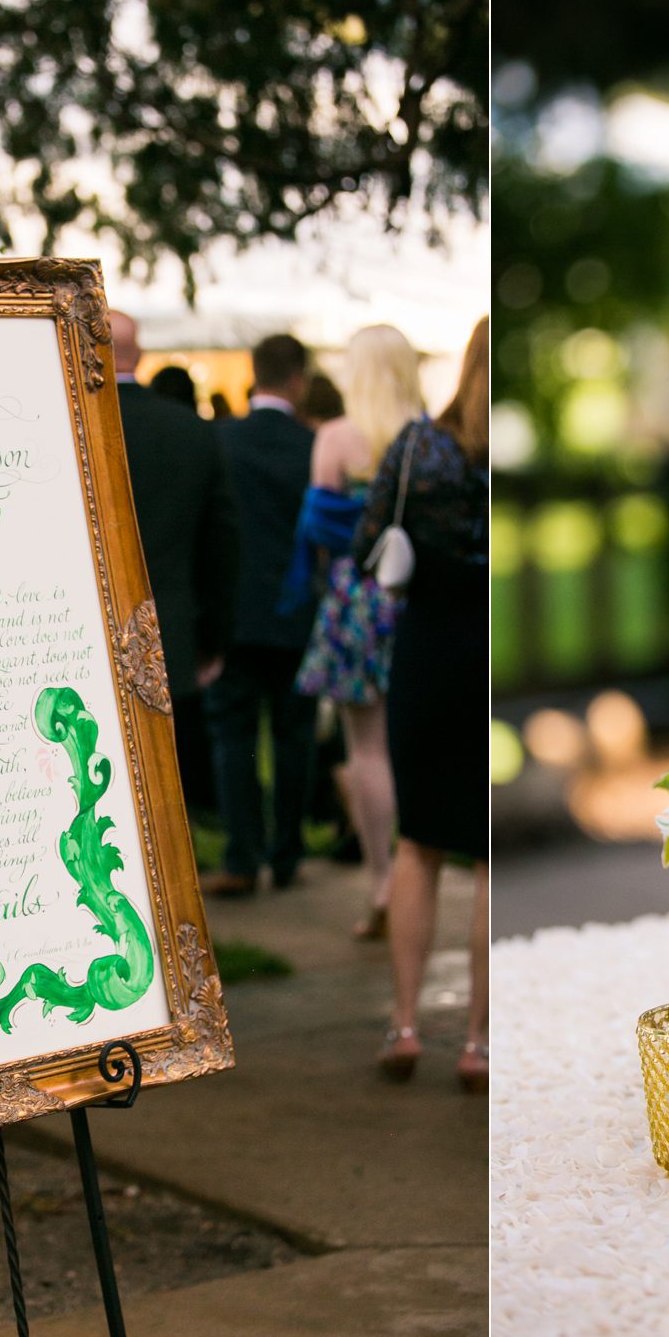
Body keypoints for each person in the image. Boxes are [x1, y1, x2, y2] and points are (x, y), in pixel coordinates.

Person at [352, 317, 489, 1093]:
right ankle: (476, 1042)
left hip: (429, 650)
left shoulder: (416, 447)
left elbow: (371, 542)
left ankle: (405, 1026)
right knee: (486, 857)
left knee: (419, 844)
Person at [287, 326, 422, 939]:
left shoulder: (337, 438)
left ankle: (382, 881)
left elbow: (318, 531)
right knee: (406, 745)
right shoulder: (430, 438)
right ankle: (417, 874)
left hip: (354, 599)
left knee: (364, 749)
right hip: (415, 599)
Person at [109, 312, 238, 813]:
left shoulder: (57, 420)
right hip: (171, 626)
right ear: (138, 356)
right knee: (164, 783)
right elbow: (221, 541)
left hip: (81, 629)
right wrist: (213, 637)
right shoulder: (188, 429)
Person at [204, 333, 319, 896]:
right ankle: (289, 854)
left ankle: (243, 857)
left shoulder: (221, 439)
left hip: (235, 614)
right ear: (298, 380)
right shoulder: (313, 446)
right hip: (298, 613)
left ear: (254, 374)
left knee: (234, 737)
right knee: (295, 737)